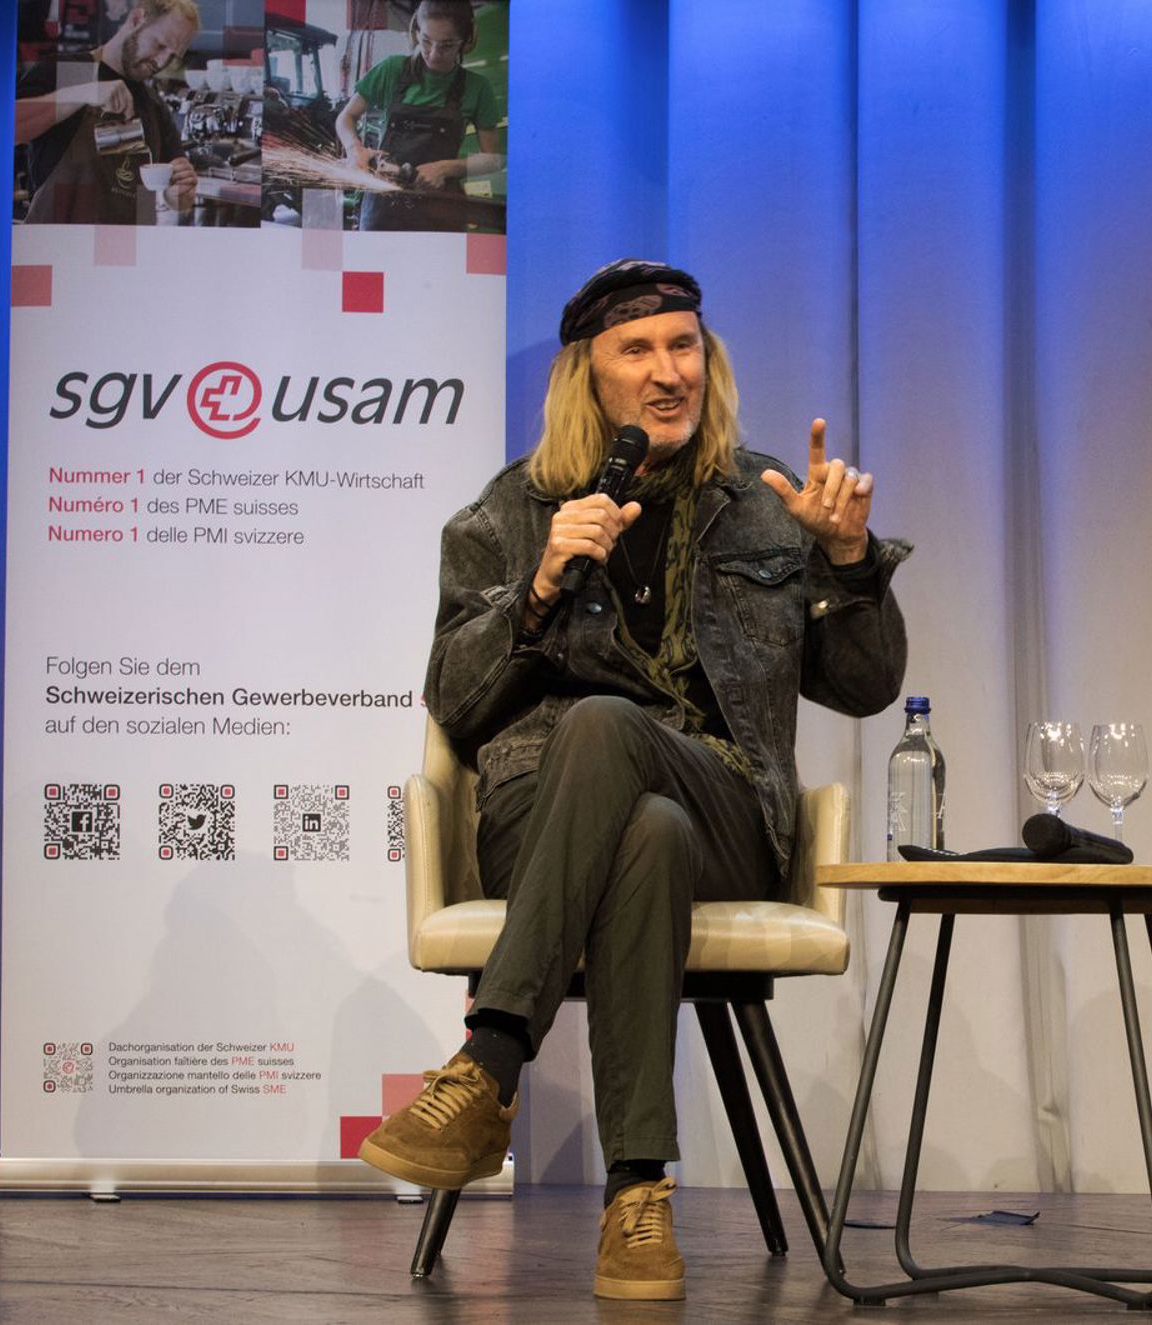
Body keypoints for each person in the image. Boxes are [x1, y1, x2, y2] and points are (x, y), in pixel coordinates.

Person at [358, 259, 909, 1302]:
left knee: (617, 734)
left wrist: (846, 562)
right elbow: (454, 701)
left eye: (683, 345)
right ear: (588, 374)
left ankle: (488, 1061)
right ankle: (637, 1197)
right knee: (644, 828)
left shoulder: (766, 504)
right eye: (638, 349)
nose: (668, 371)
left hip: (729, 809)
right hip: (543, 813)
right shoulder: (510, 512)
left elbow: (866, 686)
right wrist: (534, 590)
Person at [14, 0, 200, 224]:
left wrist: (178, 194)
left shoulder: (153, 103)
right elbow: (7, 131)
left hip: (131, 242)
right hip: (63, 241)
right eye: (159, 45)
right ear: (136, 20)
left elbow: (176, 194)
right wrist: (83, 92)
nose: (161, 62)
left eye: (172, 56)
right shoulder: (72, 71)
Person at [334, 0, 502, 232]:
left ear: (467, 39)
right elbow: (346, 117)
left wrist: (445, 168)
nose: (433, 54)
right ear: (416, 32)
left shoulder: (477, 88)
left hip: (443, 210)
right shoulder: (391, 70)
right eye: (426, 41)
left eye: (446, 46)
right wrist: (355, 150)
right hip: (383, 208)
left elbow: (494, 160)